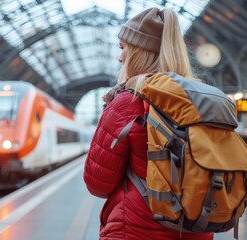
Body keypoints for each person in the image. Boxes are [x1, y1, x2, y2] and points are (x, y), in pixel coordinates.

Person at [83, 7, 213, 240]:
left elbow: (98, 183)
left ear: (139, 52)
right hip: (197, 227)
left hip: (136, 229)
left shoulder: (128, 101)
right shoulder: (203, 99)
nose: (120, 57)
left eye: (123, 48)